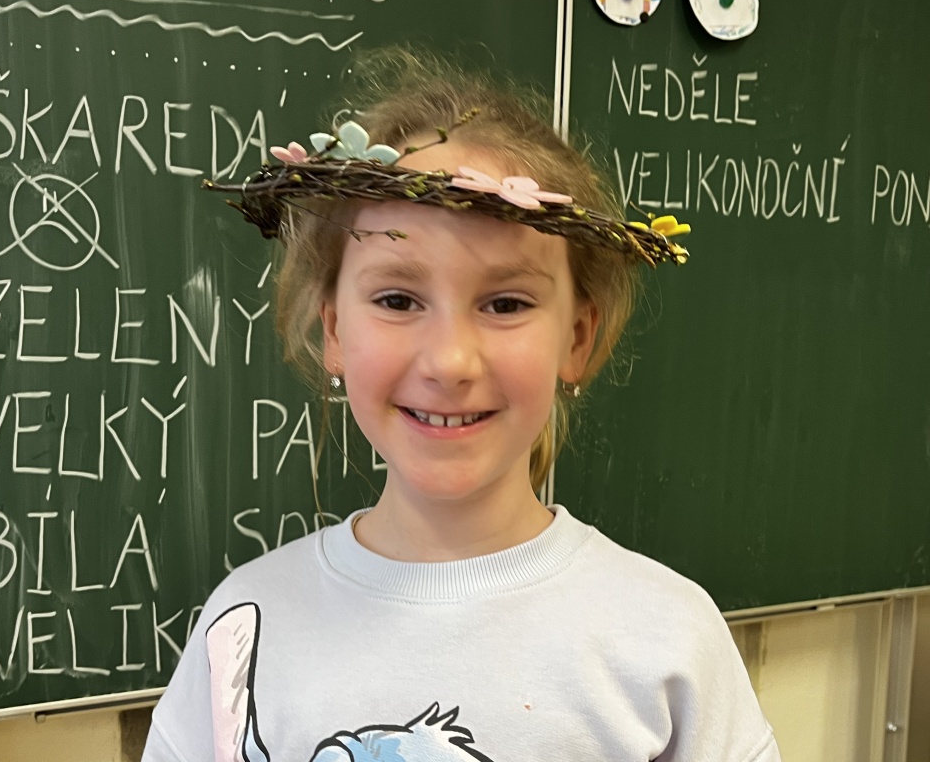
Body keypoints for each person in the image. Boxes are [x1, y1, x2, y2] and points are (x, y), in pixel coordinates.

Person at [143, 49, 780, 762]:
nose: (449, 362)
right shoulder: (247, 626)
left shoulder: (667, 641)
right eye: (397, 299)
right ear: (335, 332)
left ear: (576, 338)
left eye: (505, 304)